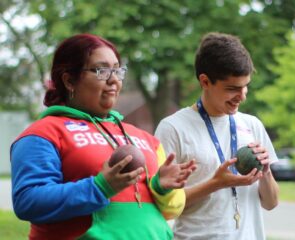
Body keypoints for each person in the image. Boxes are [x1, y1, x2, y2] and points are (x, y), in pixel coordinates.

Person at [10, 33, 196, 240]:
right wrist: (100, 187)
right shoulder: (43, 133)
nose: (114, 79)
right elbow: (27, 202)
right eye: (102, 70)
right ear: (69, 80)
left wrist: (161, 187)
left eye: (117, 70)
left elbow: (172, 209)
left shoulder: (145, 138)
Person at [155, 32, 279, 240]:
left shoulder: (252, 125)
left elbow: (271, 203)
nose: (242, 96)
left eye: (245, 86)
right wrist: (216, 183)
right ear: (205, 81)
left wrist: (265, 172)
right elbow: (163, 206)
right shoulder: (173, 128)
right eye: (232, 88)